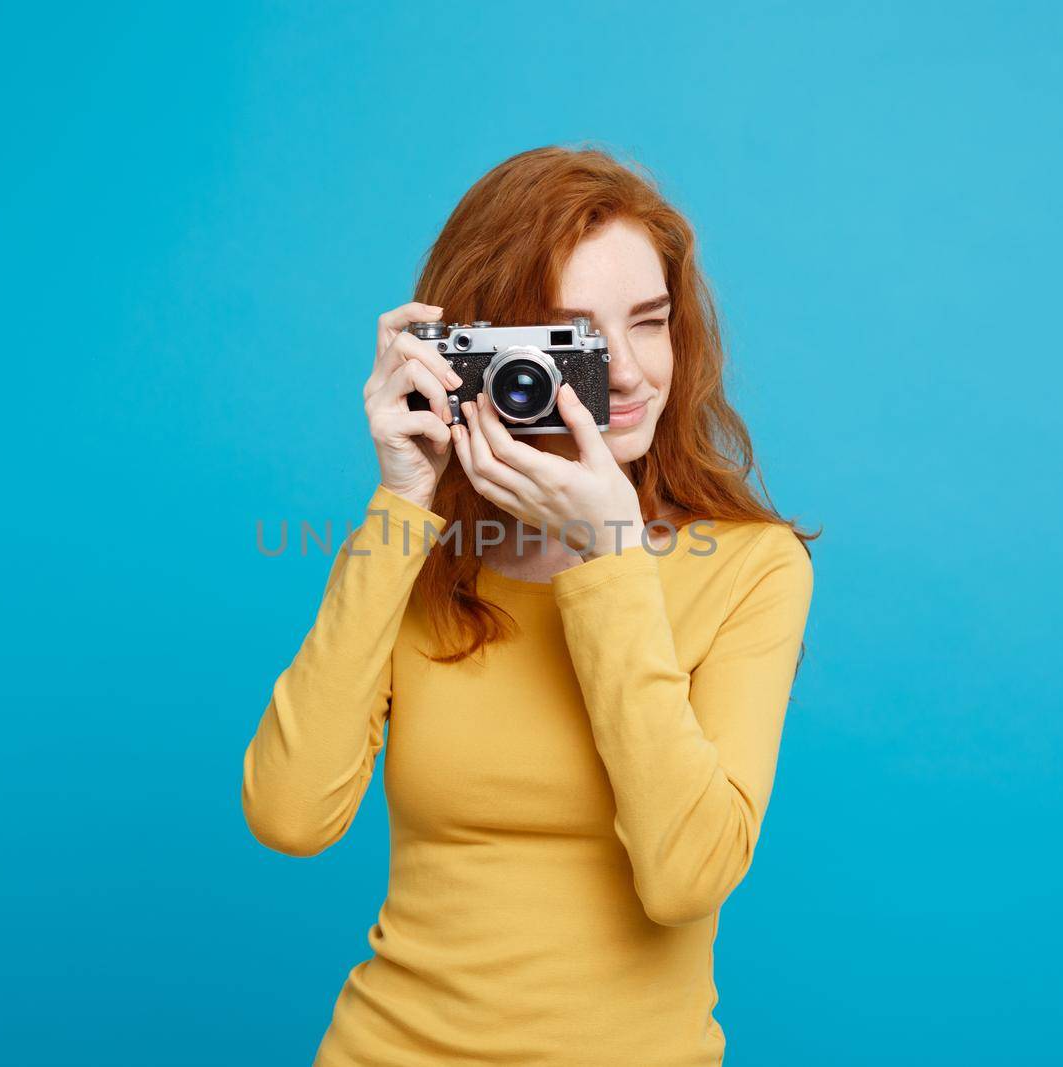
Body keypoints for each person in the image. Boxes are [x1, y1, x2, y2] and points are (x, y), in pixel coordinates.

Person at [241, 144, 816, 1066]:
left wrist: (611, 558)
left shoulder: (752, 567)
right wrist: (400, 503)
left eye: (650, 323)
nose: (626, 373)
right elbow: (290, 814)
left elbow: (687, 877)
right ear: (483, 351)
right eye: (573, 338)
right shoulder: (427, 555)